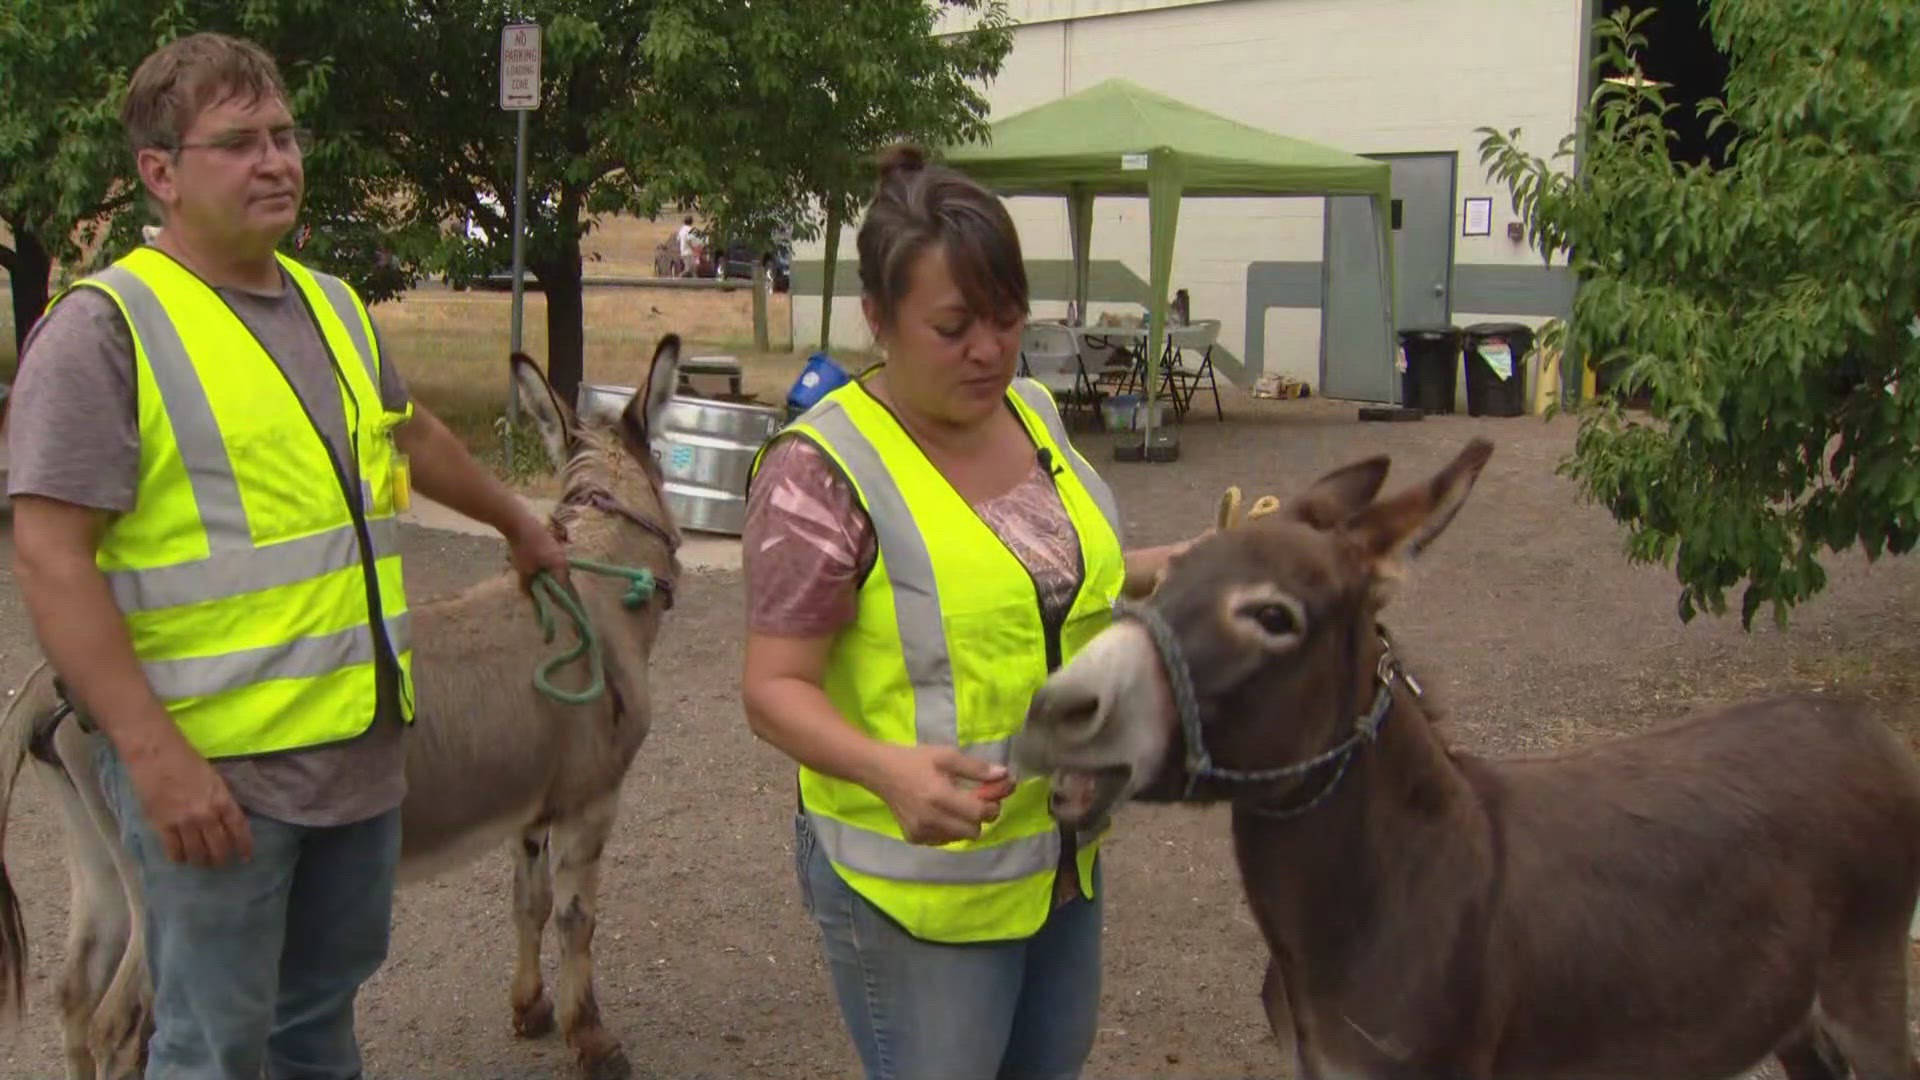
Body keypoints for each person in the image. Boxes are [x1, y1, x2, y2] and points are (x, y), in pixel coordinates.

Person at [5, 32, 568, 1080]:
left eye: (283, 134)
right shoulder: (105, 332)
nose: (276, 160)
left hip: (354, 755)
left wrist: (519, 523)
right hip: (219, 783)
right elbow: (50, 559)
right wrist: (156, 758)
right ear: (160, 174)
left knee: (316, 1023)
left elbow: (408, 439)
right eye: (240, 143)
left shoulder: (332, 305)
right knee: (213, 1046)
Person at [740, 144, 1200, 1080]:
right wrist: (888, 770)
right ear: (878, 318)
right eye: (953, 327)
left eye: (1005, 317)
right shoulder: (823, 473)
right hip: (923, 899)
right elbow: (771, 685)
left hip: (1059, 864)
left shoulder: (1032, 413)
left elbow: (1052, 588)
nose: (990, 349)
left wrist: (1174, 569)